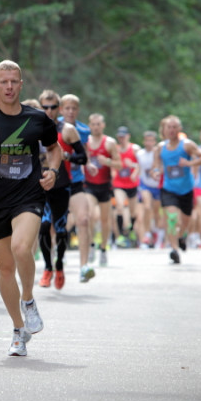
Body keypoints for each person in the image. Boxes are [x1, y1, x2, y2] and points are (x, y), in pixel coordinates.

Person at [0, 60, 62, 356]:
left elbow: (55, 149)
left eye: (14, 81)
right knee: (4, 268)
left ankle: (28, 299)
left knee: (21, 248)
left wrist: (52, 172)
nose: (8, 87)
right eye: (3, 82)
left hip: (28, 196)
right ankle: (18, 329)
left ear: (21, 85)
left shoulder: (38, 118)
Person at [37, 89, 86, 290]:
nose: (49, 111)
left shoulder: (67, 130)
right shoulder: (33, 128)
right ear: (40, 108)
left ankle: (59, 265)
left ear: (58, 108)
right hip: (39, 186)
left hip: (62, 185)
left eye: (53, 107)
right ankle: (47, 268)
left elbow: (83, 158)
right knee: (43, 226)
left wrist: (66, 157)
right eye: (45, 107)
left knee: (60, 228)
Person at [151, 115, 201, 264]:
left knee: (185, 221)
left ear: (179, 129)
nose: (171, 130)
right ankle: (174, 249)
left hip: (186, 189)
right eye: (169, 127)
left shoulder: (187, 145)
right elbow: (155, 166)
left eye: (174, 127)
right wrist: (156, 172)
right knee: (171, 218)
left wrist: (190, 164)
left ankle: (182, 236)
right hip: (169, 189)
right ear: (163, 129)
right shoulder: (160, 148)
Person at [59, 94, 95, 282]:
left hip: (76, 180)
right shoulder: (53, 125)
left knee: (83, 219)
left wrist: (88, 164)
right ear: (61, 109)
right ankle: (57, 258)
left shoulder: (83, 129)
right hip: (57, 180)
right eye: (67, 108)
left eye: (74, 108)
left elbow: (84, 152)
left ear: (78, 110)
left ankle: (83, 266)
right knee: (55, 224)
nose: (70, 111)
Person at [83, 113, 121, 265]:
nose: (96, 127)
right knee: (91, 215)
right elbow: (81, 161)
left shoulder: (110, 143)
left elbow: (119, 164)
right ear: (89, 125)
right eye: (93, 124)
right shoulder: (85, 142)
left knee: (105, 220)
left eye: (98, 124)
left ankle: (103, 249)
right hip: (89, 186)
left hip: (105, 185)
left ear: (103, 125)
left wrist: (107, 161)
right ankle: (92, 245)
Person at [112, 126, 140, 248]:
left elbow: (141, 164)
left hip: (132, 183)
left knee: (133, 212)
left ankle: (131, 229)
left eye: (124, 136)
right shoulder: (115, 150)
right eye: (120, 137)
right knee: (119, 205)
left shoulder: (135, 149)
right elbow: (112, 163)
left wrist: (133, 168)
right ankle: (121, 235)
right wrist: (113, 172)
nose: (122, 139)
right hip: (119, 183)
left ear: (128, 136)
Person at [137, 130, 163, 248]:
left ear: (155, 142)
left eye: (151, 141)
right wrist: (135, 174)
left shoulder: (158, 153)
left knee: (156, 212)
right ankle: (147, 233)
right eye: (147, 140)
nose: (149, 143)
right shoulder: (140, 154)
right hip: (145, 185)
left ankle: (157, 233)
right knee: (147, 207)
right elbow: (139, 167)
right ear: (144, 141)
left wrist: (157, 172)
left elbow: (162, 166)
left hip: (157, 185)